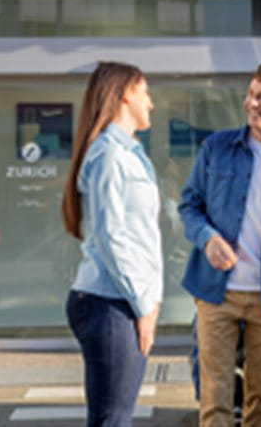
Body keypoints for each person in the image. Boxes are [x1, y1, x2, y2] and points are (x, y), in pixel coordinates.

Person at [179, 60, 261, 427]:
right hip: (216, 291)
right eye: (251, 94)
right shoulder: (217, 148)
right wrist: (207, 239)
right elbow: (189, 205)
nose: (252, 103)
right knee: (214, 394)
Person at [61, 61, 163, 427]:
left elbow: (141, 235)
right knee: (113, 420)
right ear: (125, 94)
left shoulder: (131, 153)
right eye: (145, 92)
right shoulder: (109, 155)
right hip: (110, 302)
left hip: (120, 301)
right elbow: (111, 237)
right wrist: (143, 305)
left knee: (114, 419)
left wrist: (150, 299)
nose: (151, 103)